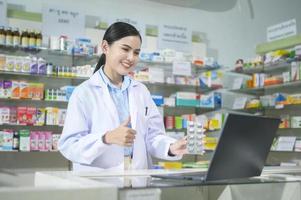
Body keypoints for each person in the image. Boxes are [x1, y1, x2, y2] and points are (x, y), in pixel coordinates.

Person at [58, 22, 188, 171]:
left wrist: (172, 147)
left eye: (136, 52)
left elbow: (153, 136)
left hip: (138, 179)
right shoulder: (83, 93)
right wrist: (106, 138)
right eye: (125, 49)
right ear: (105, 47)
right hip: (100, 183)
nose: (131, 58)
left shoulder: (141, 91)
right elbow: (70, 145)